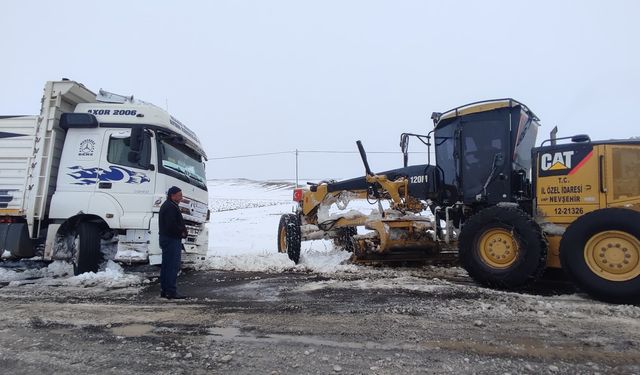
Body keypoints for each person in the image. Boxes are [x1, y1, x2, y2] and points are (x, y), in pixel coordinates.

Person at [159, 186, 188, 299]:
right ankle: (171, 291)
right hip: (171, 239)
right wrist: (181, 232)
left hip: (167, 238)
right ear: (173, 195)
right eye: (179, 195)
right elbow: (171, 225)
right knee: (172, 266)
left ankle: (165, 290)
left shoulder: (169, 205)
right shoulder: (170, 207)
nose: (181, 197)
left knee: (166, 265)